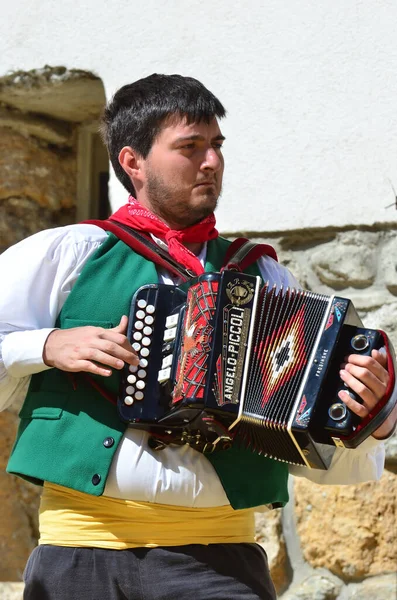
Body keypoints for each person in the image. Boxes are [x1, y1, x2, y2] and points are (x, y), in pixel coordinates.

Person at [0, 73, 396, 600]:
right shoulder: (68, 254)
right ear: (132, 162)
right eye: (190, 147)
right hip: (80, 554)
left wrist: (373, 415)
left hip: (219, 564)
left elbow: (320, 451)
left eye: (216, 146)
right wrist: (47, 345)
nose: (211, 162)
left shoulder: (267, 279)